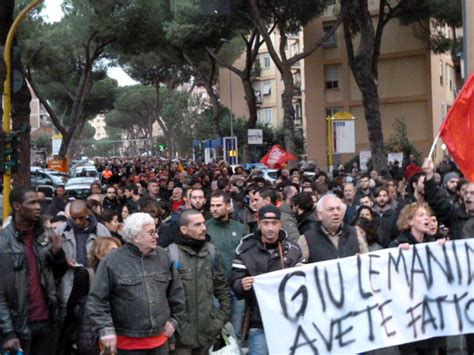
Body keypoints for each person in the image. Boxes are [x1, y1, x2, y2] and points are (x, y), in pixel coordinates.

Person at [87, 213, 185, 354]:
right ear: (136, 237)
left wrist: (175, 319)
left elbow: (177, 293)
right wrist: (105, 329)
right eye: (151, 233)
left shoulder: (163, 256)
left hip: (160, 342)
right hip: (127, 345)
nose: (157, 236)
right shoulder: (112, 261)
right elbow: (96, 301)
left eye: (156, 231)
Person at [0, 187, 67, 355]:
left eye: (39, 202)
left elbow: (57, 275)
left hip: (47, 321)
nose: (38, 207)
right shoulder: (3, 243)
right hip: (19, 326)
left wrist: (58, 253)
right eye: (32, 203)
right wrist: (7, 332)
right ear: (17, 206)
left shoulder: (45, 235)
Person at [231, 205, 303, 355]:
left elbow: (305, 280)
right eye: (266, 223)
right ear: (259, 224)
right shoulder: (245, 250)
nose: (270, 228)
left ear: (280, 224)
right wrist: (242, 285)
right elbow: (235, 283)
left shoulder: (293, 250)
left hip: (289, 322)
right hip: (259, 322)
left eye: (274, 223)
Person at [169, 209, 232, 354]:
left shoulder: (211, 252)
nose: (204, 228)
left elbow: (222, 287)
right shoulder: (171, 255)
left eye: (203, 223)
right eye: (197, 225)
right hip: (181, 338)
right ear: (184, 229)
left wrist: (220, 319)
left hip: (208, 333)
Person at [388, 202, 446, 354]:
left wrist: (442, 252)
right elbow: (388, 276)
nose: (426, 218)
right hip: (408, 319)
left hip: (431, 317)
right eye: (421, 215)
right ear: (410, 221)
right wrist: (396, 254)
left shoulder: (433, 244)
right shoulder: (397, 244)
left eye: (427, 215)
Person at [58, 237, 122, 355]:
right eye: (112, 250)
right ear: (99, 253)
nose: (116, 254)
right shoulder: (87, 275)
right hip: (89, 334)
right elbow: (72, 308)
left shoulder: (119, 276)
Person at [205, 191, 247, 340]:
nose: (214, 209)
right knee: (216, 334)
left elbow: (247, 255)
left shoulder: (240, 228)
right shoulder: (205, 229)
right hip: (214, 290)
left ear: (228, 206)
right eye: (212, 206)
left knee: (235, 333)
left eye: (218, 205)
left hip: (237, 288)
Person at [56, 200, 111, 313]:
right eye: (73, 218)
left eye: (81, 218)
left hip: (94, 280)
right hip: (69, 281)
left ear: (88, 214)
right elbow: (52, 255)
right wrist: (63, 260)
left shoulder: (101, 230)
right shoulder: (61, 230)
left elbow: (111, 258)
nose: (77, 222)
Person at [298, 194, 359, 263]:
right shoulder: (306, 240)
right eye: (331, 209)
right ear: (320, 215)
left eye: (339, 209)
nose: (336, 213)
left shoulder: (356, 233)